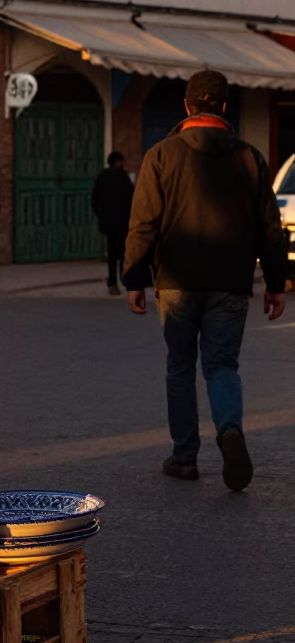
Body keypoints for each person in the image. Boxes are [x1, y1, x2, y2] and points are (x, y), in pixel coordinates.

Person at [123, 69, 287, 491]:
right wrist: (274, 281)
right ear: (225, 108)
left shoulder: (161, 155)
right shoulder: (250, 157)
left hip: (176, 282)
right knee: (222, 365)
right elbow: (271, 228)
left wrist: (134, 278)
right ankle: (229, 431)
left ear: (187, 106)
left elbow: (143, 223)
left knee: (180, 366)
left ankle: (184, 457)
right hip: (231, 283)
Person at [91, 151, 135, 296]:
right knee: (123, 252)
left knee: (112, 253)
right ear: (117, 162)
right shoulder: (123, 178)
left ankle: (112, 281)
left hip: (108, 222)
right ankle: (122, 277)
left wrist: (101, 217)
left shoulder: (102, 177)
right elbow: (132, 198)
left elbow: (95, 200)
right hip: (123, 221)